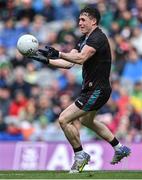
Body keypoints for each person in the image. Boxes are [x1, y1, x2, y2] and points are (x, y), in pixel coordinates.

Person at [27, 6, 131, 173]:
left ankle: (80, 155)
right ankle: (119, 148)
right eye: (79, 19)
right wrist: (45, 60)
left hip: (97, 90)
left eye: (83, 19)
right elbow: (69, 64)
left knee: (63, 119)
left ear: (94, 21)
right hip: (94, 90)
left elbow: (81, 58)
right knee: (86, 121)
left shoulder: (98, 38)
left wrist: (59, 53)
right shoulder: (84, 39)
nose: (80, 22)